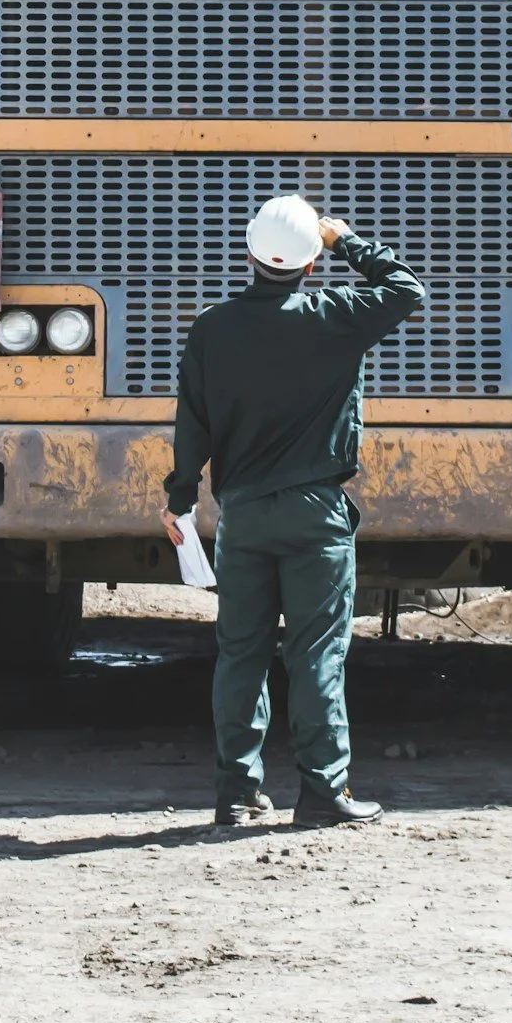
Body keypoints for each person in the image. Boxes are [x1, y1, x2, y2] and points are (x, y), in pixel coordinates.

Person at [159, 193, 425, 829]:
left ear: (250, 254)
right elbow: (405, 289)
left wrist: (177, 501)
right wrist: (348, 240)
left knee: (241, 654)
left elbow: (191, 426)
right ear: (311, 266)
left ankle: (237, 793)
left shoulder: (212, 328)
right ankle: (323, 793)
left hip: (243, 516)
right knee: (315, 656)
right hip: (316, 515)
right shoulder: (334, 314)